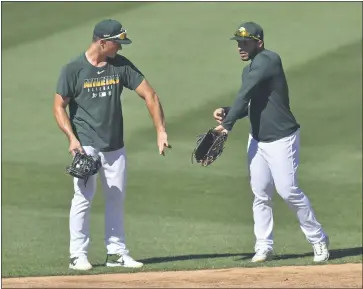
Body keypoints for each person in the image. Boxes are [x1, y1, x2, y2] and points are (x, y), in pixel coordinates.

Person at [53, 19, 171, 271]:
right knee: (83, 197)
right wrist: (72, 138)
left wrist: (160, 130)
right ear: (102, 42)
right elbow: (58, 106)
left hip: (115, 145)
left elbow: (150, 94)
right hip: (86, 145)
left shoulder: (120, 66)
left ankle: (116, 252)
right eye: (117, 43)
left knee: (115, 197)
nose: (120, 47)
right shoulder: (73, 69)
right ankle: (77, 254)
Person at [213, 21, 330, 263]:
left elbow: (244, 93)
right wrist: (229, 112)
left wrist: (227, 125)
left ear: (259, 42)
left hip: (281, 138)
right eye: (238, 43)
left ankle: (318, 238)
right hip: (257, 140)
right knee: (260, 194)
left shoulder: (269, 60)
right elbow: (249, 103)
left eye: (245, 42)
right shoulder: (249, 69)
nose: (240, 47)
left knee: (288, 191)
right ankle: (264, 245)